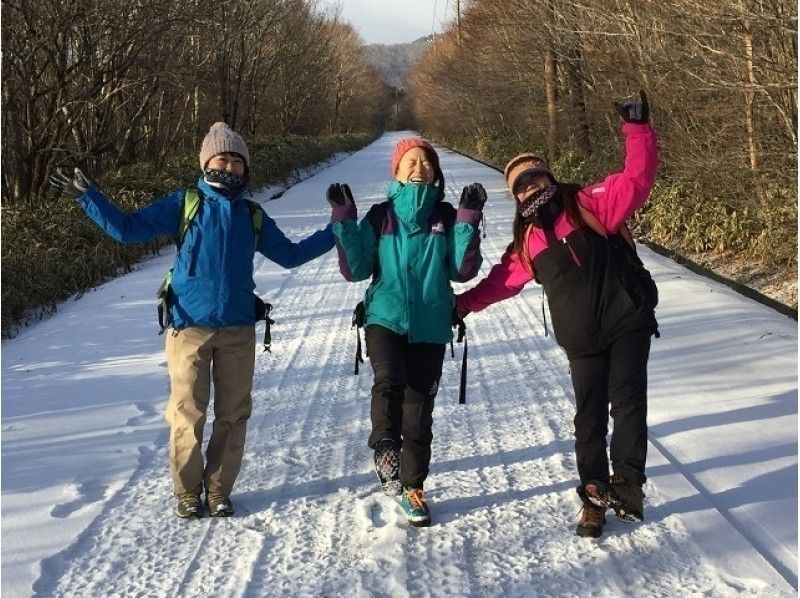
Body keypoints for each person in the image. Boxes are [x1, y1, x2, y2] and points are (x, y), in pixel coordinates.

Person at [51, 122, 335, 519]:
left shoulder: (252, 215)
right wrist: (89, 198)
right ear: (206, 162)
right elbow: (128, 230)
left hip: (237, 328)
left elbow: (289, 255)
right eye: (223, 158)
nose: (231, 167)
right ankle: (187, 492)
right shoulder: (184, 203)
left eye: (238, 161)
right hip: (188, 327)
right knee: (188, 413)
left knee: (234, 415)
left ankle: (219, 490)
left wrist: (336, 231)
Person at [456, 92, 659, 538]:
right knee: (588, 417)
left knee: (626, 401)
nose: (531, 187)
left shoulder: (587, 203)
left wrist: (637, 129)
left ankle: (627, 485)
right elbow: (498, 283)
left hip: (627, 320)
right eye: (521, 185)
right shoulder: (528, 241)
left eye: (535, 177)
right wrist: (460, 305)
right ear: (515, 196)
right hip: (582, 340)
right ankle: (593, 498)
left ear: (548, 175)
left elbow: (636, 179)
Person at [327, 137, 486, 526]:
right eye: (411, 162)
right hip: (385, 316)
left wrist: (467, 220)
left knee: (418, 414)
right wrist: (345, 219)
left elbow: (461, 271)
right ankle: (384, 445)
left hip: (430, 323)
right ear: (396, 171)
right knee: (388, 379)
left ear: (434, 171)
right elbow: (357, 269)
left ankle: (413, 487)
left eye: (426, 162)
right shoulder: (381, 216)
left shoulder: (447, 217)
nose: (419, 167)